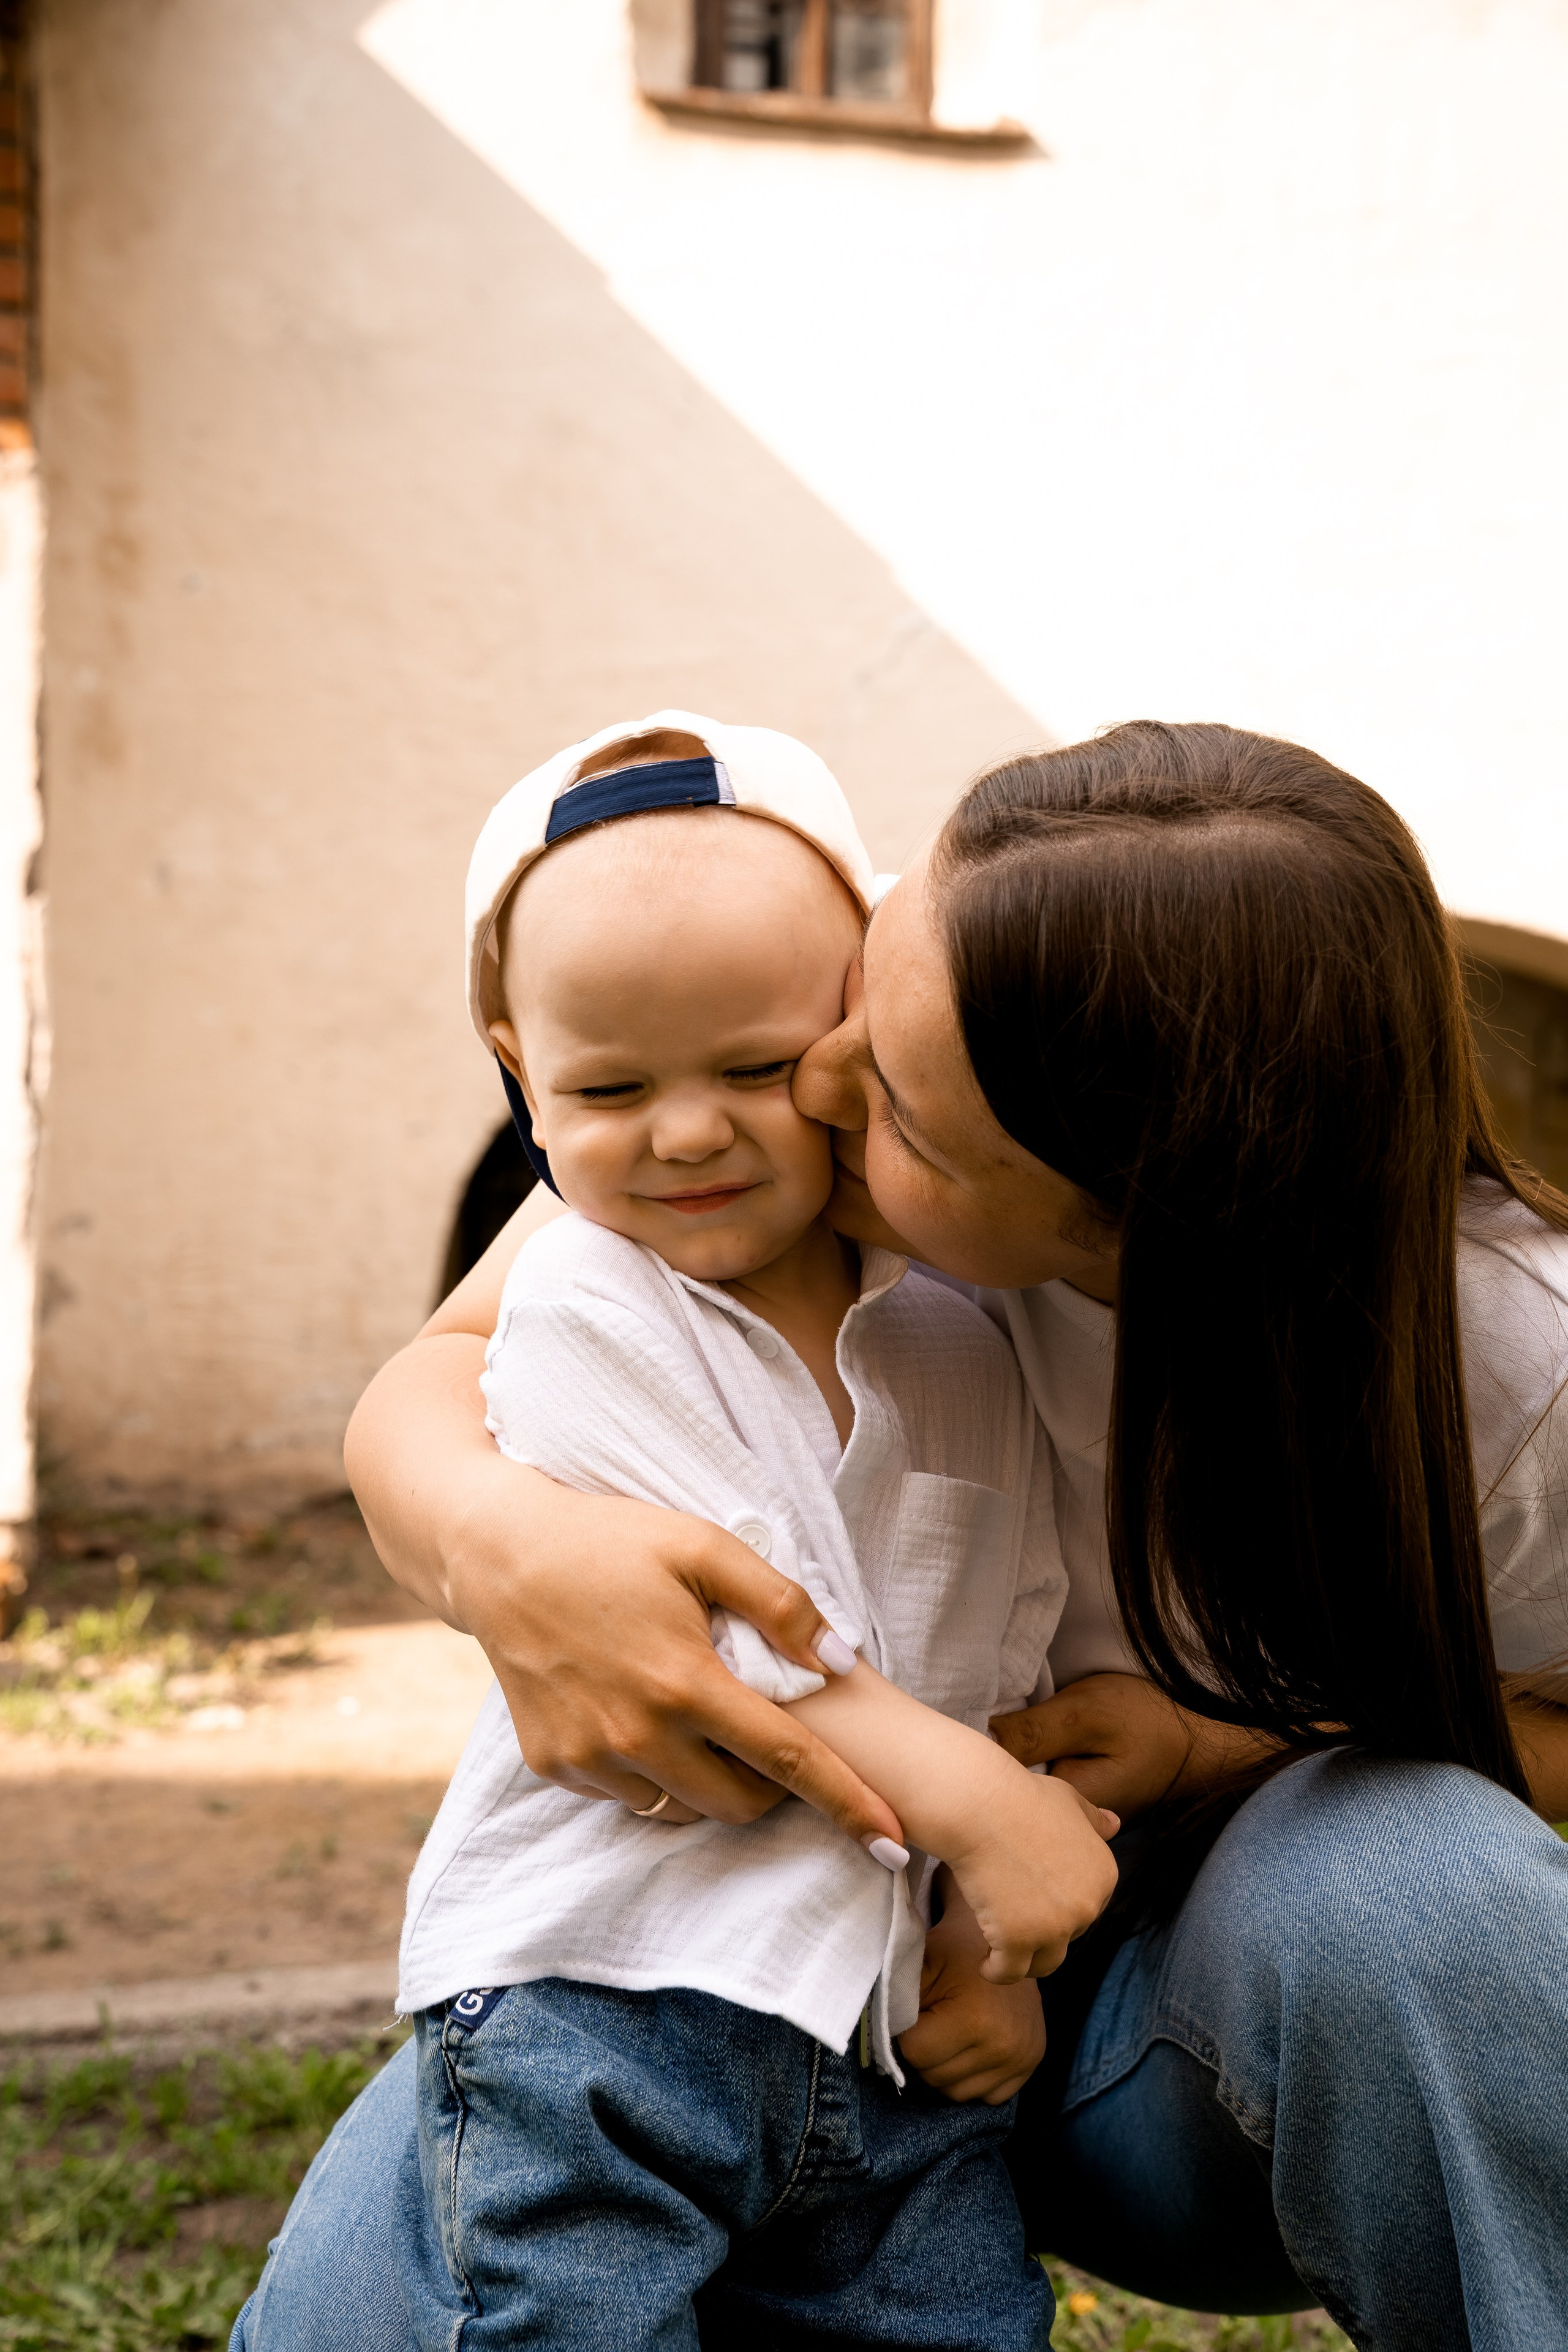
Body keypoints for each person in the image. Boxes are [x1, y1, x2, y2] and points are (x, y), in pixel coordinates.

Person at [235, 722, 1568, 2352]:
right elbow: (450, 1366)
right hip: (780, 1956)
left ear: (1135, 1222)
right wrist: (504, 1543)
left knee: (1423, 1886)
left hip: (1168, 2028)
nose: (810, 1085)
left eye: (904, 1123)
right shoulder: (860, 1025)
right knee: (391, 2302)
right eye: (856, 994)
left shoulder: (1515, 1372)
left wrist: (1227, 1748)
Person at [383, 711, 1119, 2350]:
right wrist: (993, 1815)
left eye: (757, 1068)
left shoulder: (953, 1321)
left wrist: (986, 1938)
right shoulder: (586, 1301)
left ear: (858, 1025)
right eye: (610, 1086)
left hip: (874, 2032)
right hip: (605, 2010)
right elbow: (741, 1648)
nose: (691, 1132)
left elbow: (994, 1639)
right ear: (517, 1067)